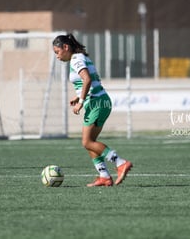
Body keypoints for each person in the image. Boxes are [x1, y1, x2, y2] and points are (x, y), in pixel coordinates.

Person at [53, 33, 133, 187]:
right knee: (90, 142)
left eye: (57, 52)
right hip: (99, 101)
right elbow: (91, 81)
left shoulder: (76, 59)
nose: (57, 56)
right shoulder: (80, 57)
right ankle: (104, 176)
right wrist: (78, 97)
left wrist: (81, 102)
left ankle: (120, 163)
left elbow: (87, 79)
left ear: (65, 47)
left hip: (97, 103)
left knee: (87, 142)